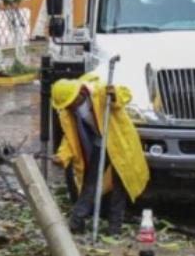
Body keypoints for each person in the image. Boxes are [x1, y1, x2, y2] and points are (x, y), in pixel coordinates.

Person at [51, 74, 149, 235]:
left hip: (119, 143)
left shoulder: (100, 92)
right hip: (99, 143)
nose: (70, 107)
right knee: (91, 184)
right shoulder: (68, 112)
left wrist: (114, 95)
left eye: (71, 103)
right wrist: (62, 156)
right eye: (67, 105)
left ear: (80, 93)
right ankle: (76, 222)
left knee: (120, 186)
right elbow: (70, 138)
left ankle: (114, 228)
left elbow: (126, 94)